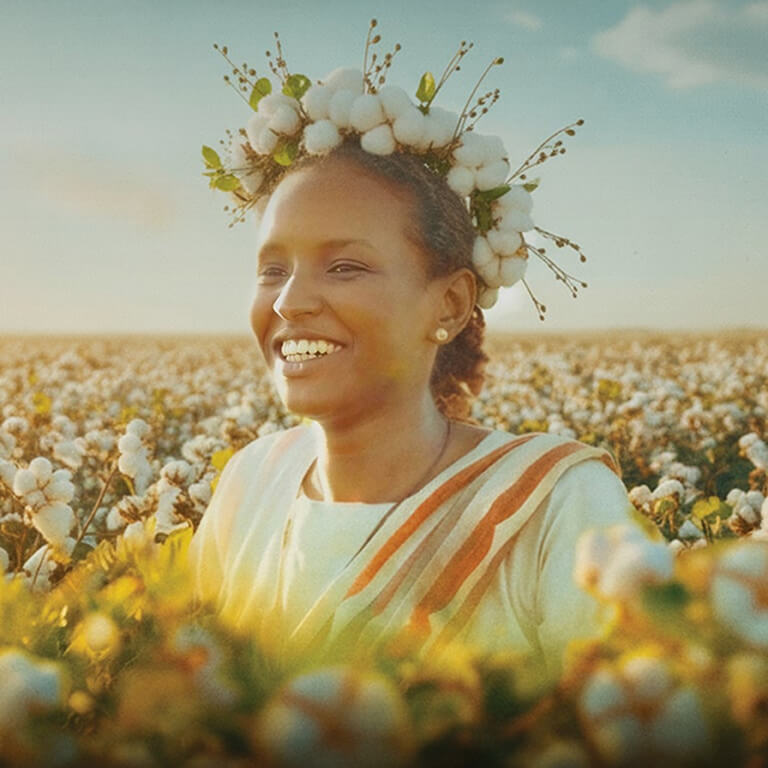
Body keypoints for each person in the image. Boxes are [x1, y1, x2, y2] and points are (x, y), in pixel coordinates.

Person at [188, 137, 640, 678]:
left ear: (449, 305)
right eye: (272, 270)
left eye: (345, 267)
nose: (290, 301)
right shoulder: (250, 481)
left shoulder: (560, 503)